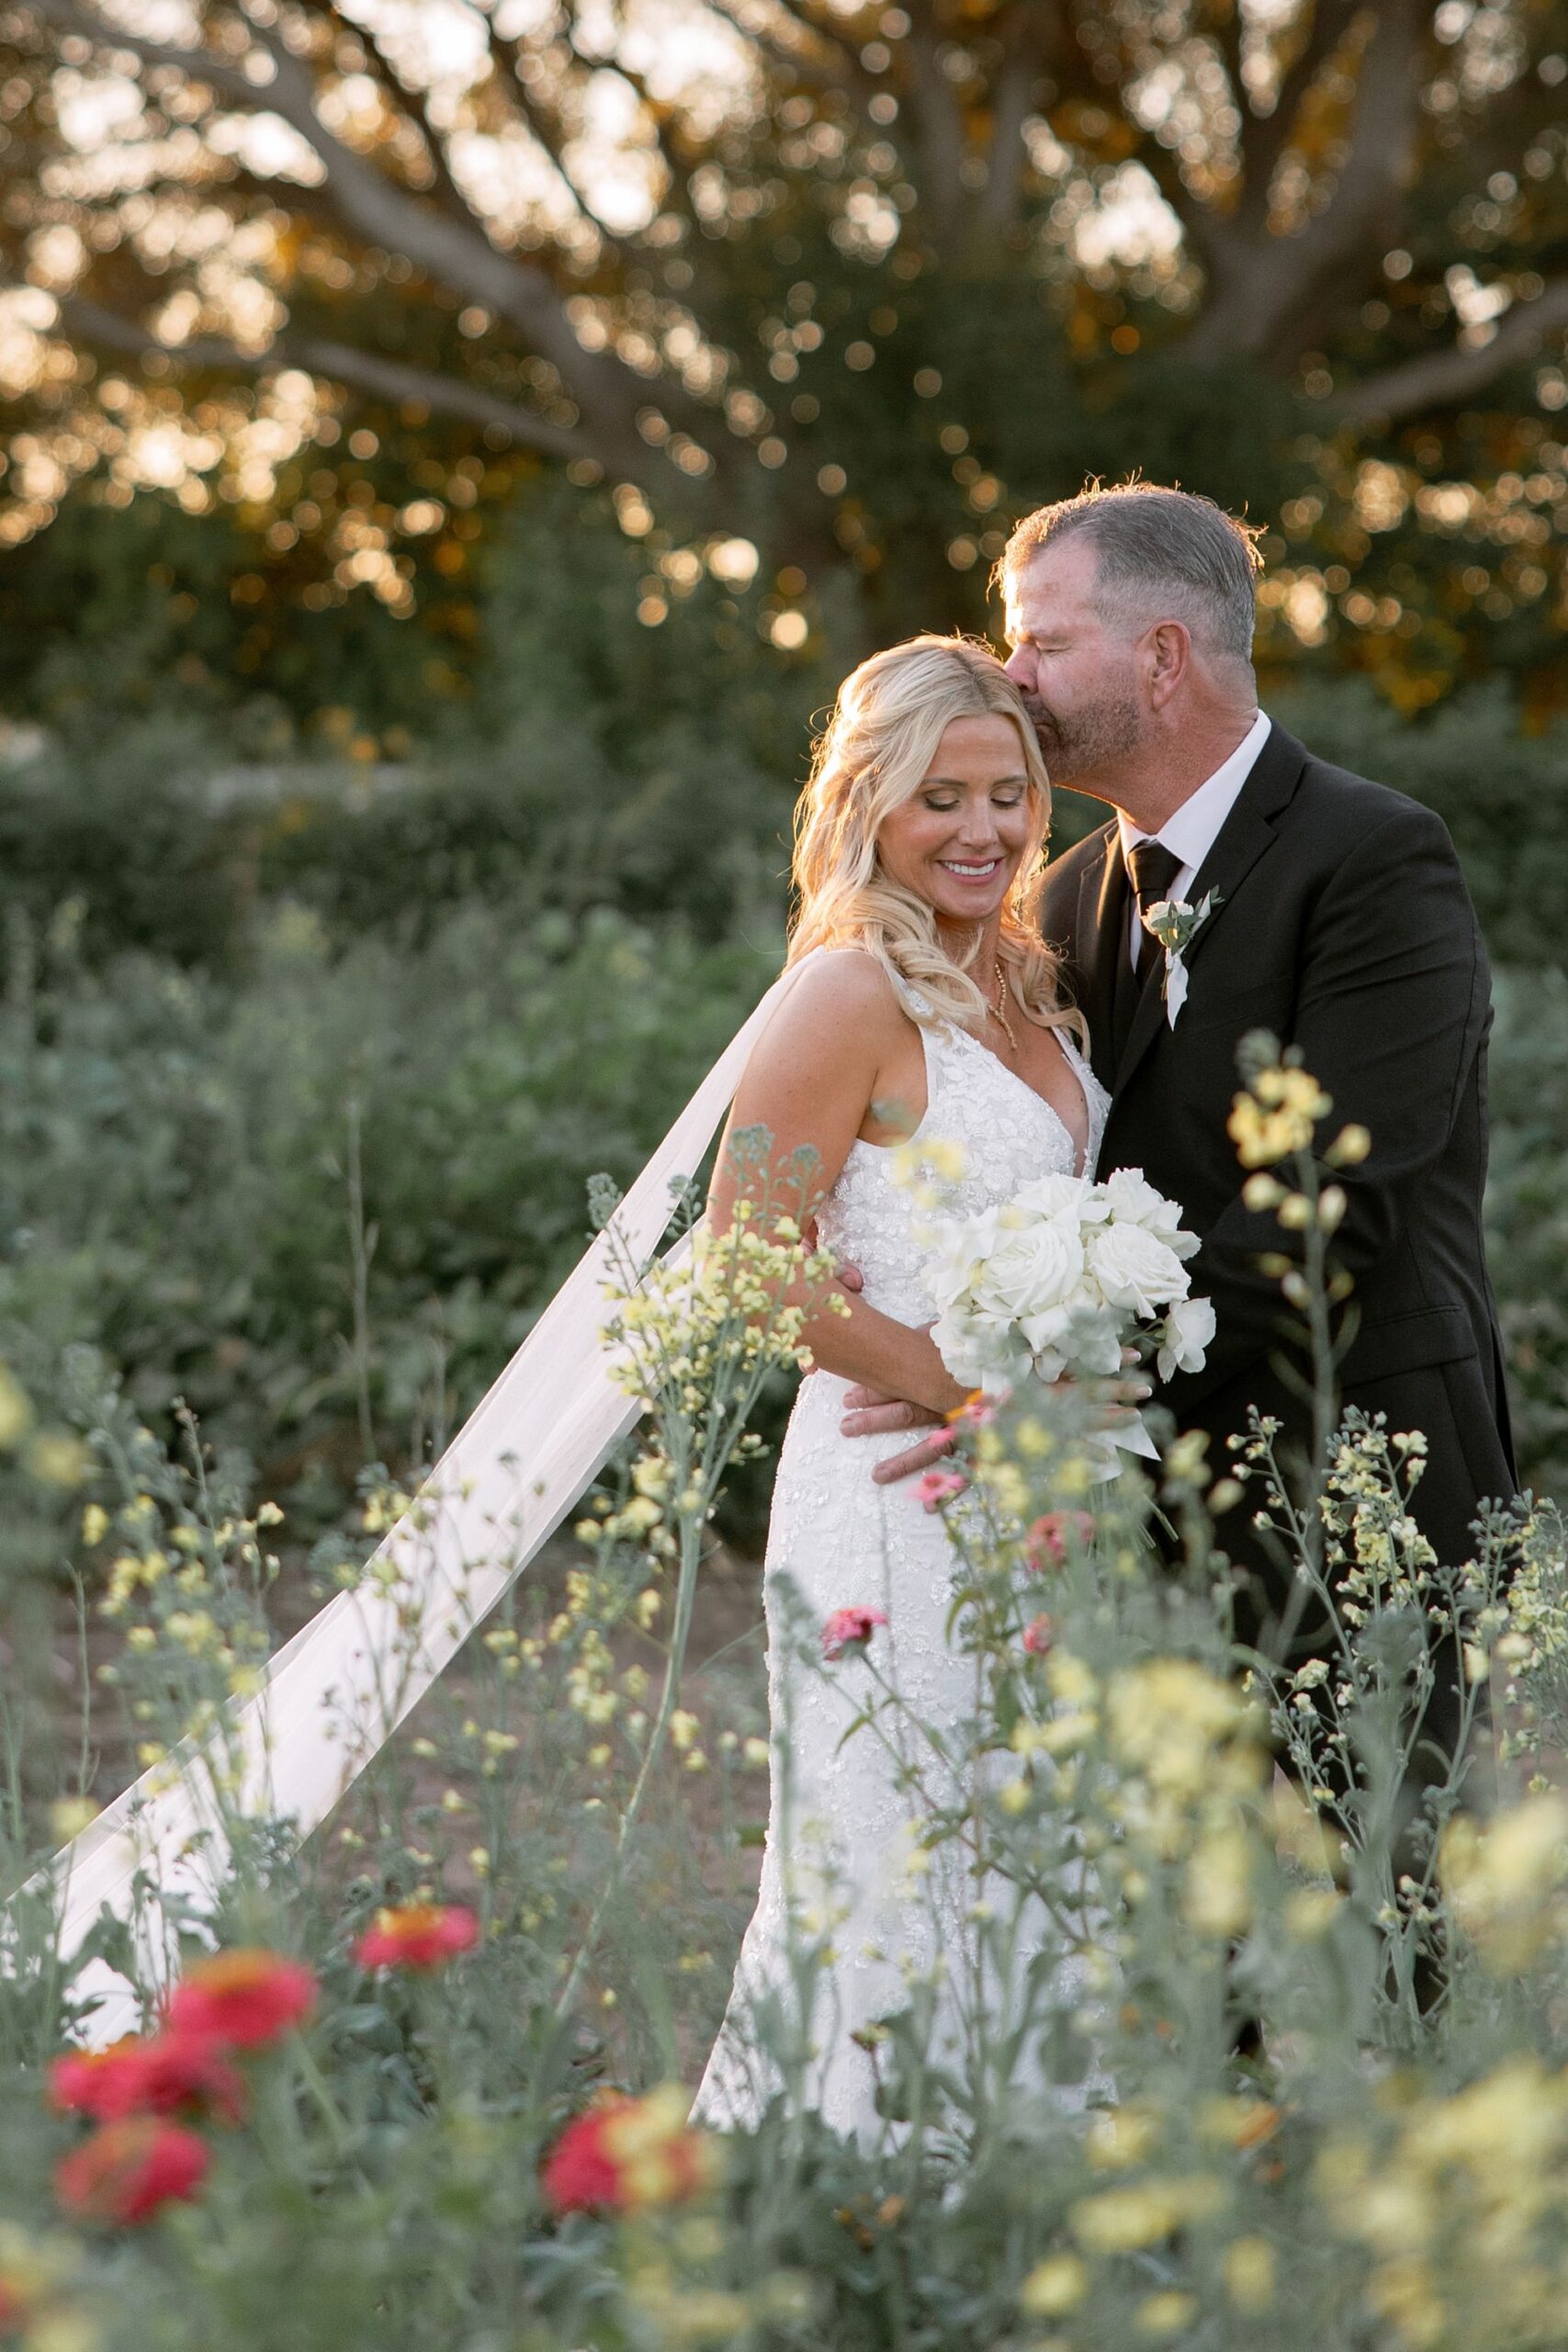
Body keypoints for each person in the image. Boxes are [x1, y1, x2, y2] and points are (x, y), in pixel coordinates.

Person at [846, 481, 1516, 1702]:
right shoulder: (1057, 899)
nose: (1013, 673)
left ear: (1161, 659)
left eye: (1043, 640)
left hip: (1353, 1490)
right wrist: (901, 1295)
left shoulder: (1375, 860)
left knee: (1375, 1882)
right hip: (1132, 1515)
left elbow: (1337, 1205)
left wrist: (1046, 1396)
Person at [690, 637, 1109, 2140]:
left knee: (1027, 1845)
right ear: (869, 801)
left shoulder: (1022, 976)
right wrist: (960, 1392)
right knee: (892, 1856)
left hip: (1036, 1496)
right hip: (889, 1490)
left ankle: (1020, 2203)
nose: (983, 829)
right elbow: (746, 1258)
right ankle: (847, 2214)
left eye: (1008, 793)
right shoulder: (847, 991)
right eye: (943, 797)